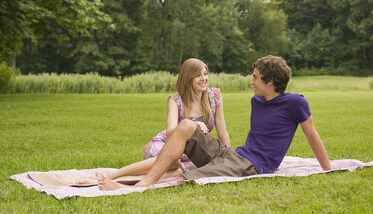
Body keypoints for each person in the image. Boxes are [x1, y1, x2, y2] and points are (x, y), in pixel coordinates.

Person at [97, 55, 331, 190]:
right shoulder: (256, 101)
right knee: (186, 126)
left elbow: (312, 136)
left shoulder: (295, 103)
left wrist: (327, 170)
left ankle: (136, 186)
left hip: (253, 166)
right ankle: (143, 181)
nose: (251, 82)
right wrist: (224, 151)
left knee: (185, 177)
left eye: (256, 78)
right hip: (235, 155)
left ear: (270, 82)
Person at [76, 58, 230, 185]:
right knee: (174, 163)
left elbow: (222, 133)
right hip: (164, 146)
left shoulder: (214, 97)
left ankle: (120, 183)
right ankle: (112, 175)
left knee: (179, 172)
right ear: (188, 78)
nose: (204, 79)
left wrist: (228, 158)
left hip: (189, 154)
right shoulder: (176, 100)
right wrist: (194, 124)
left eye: (205, 74)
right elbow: (171, 132)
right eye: (198, 75)